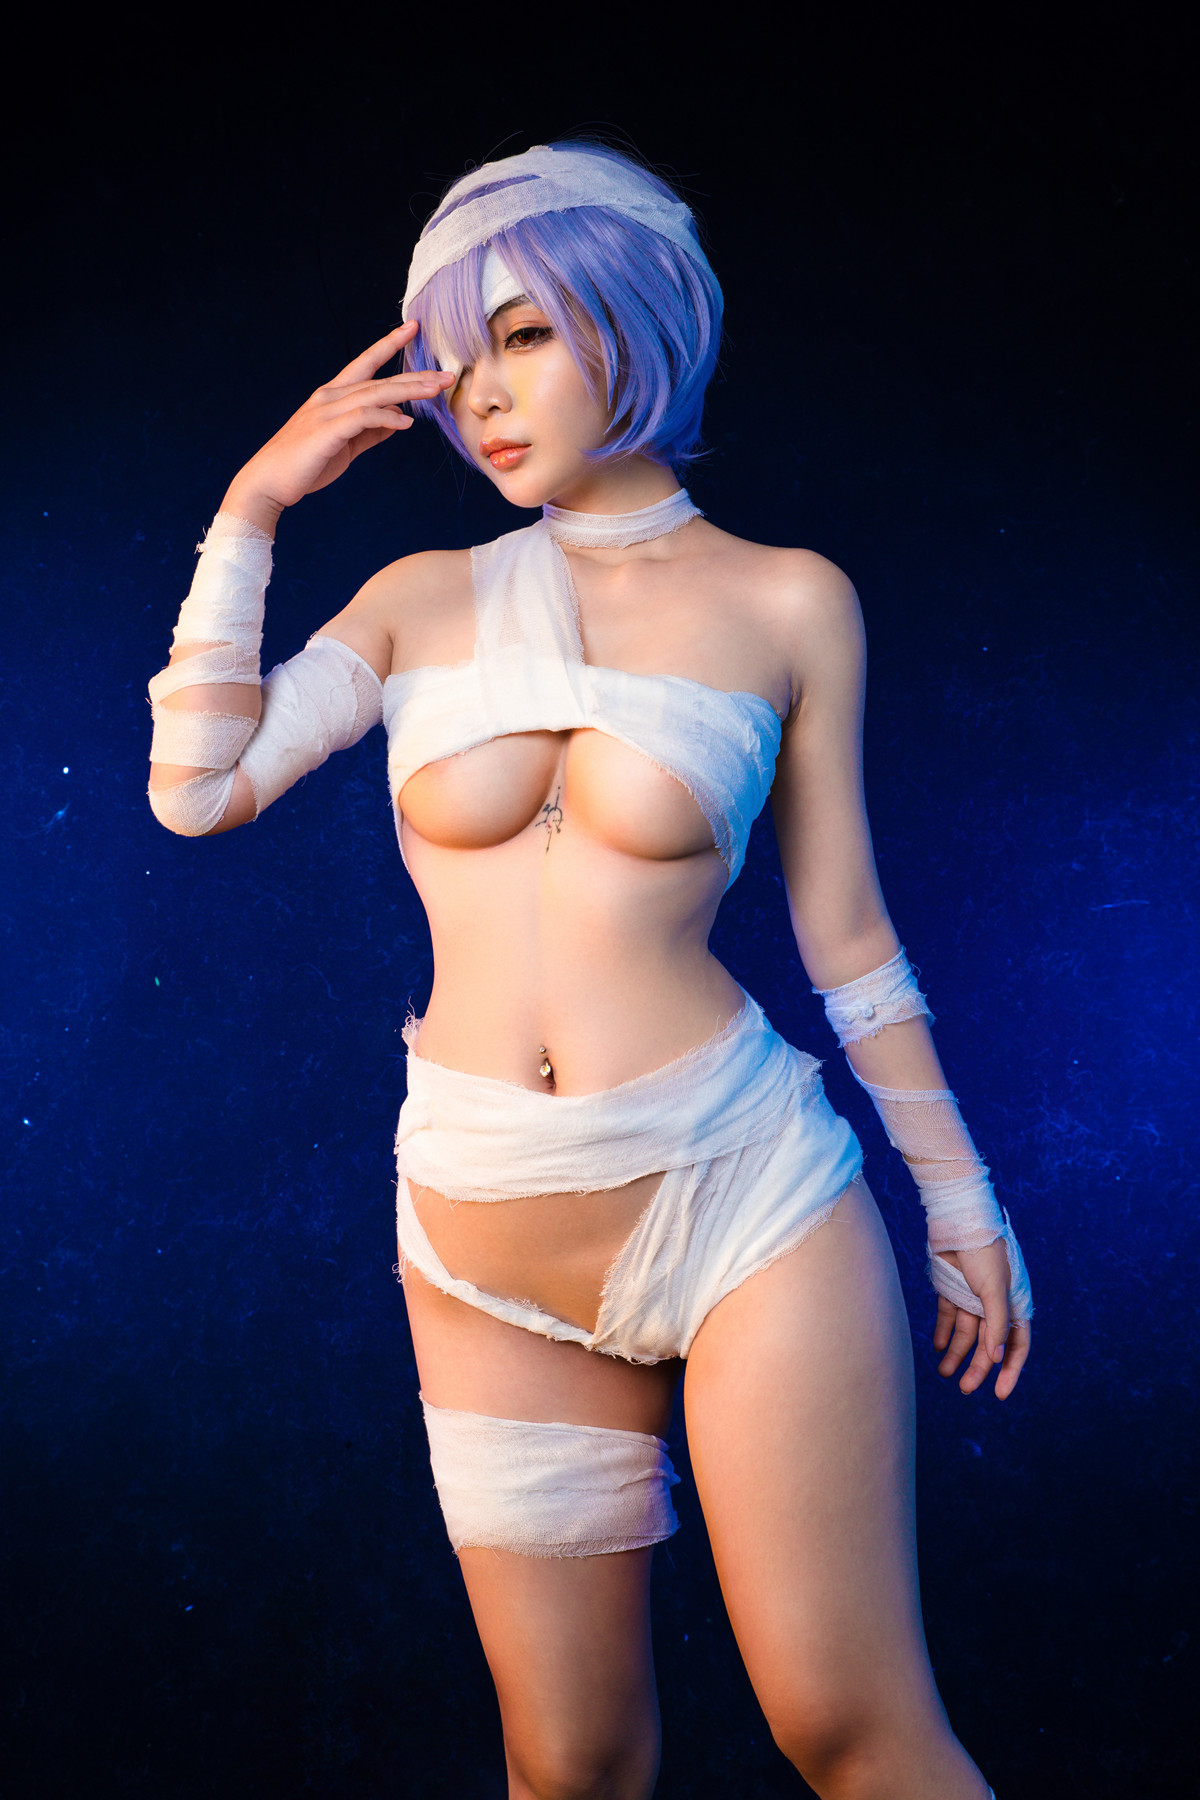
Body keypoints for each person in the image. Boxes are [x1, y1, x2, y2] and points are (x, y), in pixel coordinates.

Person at [147, 141, 1031, 1800]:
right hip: (481, 1226)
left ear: (636, 324)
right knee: (569, 1765)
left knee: (848, 1730)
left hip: (742, 1194)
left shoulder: (789, 602)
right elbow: (198, 791)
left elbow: (848, 933)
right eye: (452, 356)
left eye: (524, 335)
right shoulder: (416, 602)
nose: (479, 394)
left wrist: (960, 1199)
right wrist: (255, 505)